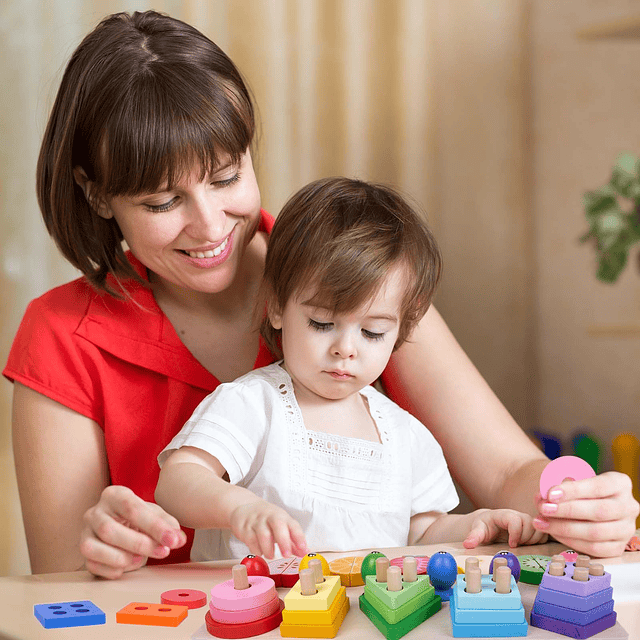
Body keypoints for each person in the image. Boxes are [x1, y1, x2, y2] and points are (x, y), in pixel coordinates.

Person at [4, 10, 637, 579]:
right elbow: (58, 589)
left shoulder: (351, 275)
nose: (209, 225)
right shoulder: (62, 336)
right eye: (162, 201)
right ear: (95, 194)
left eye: (227, 177)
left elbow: (505, 473)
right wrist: (100, 548)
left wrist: (580, 502)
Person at [155, 177, 548, 560]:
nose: (345, 349)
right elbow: (177, 481)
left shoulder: (405, 435)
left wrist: (479, 526)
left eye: (373, 332)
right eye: (322, 324)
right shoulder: (252, 404)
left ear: (400, 332)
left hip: (367, 622)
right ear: (276, 306)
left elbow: (424, 532)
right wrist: (238, 508)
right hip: (262, 618)